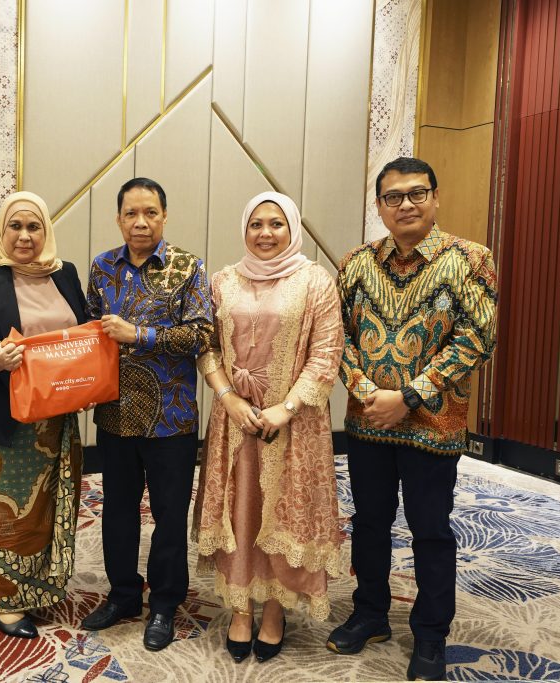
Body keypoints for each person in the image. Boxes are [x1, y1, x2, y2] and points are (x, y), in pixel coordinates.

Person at [328, 157, 497, 681]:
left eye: (416, 193)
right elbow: (336, 336)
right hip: (368, 423)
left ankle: (430, 633)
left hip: (434, 425)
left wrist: (409, 395)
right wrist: (364, 390)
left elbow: (479, 337)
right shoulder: (356, 263)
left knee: (430, 528)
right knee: (369, 522)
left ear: (435, 197)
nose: (406, 204)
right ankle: (370, 613)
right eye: (393, 196)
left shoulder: (469, 259)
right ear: (380, 206)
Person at [193, 192, 345, 664]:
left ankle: (276, 607)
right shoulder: (222, 281)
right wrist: (228, 398)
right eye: (255, 224)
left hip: (294, 424)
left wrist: (287, 408)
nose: (265, 233)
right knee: (240, 509)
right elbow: (206, 346)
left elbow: (327, 352)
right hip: (235, 420)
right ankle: (241, 608)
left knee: (282, 512)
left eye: (276, 223)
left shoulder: (316, 281)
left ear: (292, 228)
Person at [80, 178, 213, 652]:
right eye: (131, 213)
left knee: (169, 516)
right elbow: (90, 334)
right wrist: (80, 383)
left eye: (150, 213)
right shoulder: (102, 267)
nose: (141, 222)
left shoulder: (188, 267)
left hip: (171, 418)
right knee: (117, 511)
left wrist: (140, 334)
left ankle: (164, 603)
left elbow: (202, 335)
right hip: (115, 414)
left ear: (164, 216)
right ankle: (123, 595)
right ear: (119, 219)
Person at [0, 191, 87, 639]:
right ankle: (3, 600)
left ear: (46, 231)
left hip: (56, 417)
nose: (24, 236)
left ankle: (40, 588)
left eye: (34, 227)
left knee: (48, 507)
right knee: (2, 513)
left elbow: (81, 338)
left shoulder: (64, 273)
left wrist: (86, 383)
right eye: (15, 226)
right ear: (2, 230)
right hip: (0, 419)